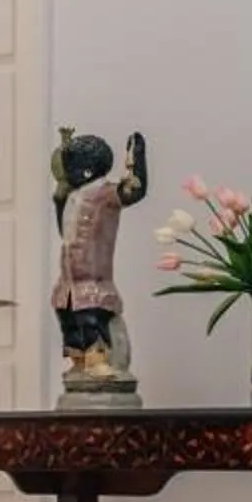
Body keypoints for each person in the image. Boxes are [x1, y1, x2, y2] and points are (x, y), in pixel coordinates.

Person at [53, 130, 148, 383]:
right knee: (69, 320)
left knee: (91, 318)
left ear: (84, 171)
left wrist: (137, 158)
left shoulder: (105, 194)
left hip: (92, 279)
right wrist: (58, 200)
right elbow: (65, 230)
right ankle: (79, 360)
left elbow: (134, 191)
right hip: (69, 281)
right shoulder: (72, 197)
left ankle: (97, 359)